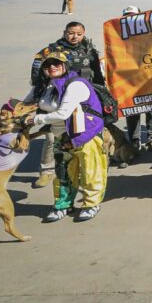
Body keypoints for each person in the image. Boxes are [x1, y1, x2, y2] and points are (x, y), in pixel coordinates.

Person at [31, 51, 108, 222]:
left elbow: (63, 113)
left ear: (65, 66)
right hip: (62, 137)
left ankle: (91, 204)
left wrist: (36, 119)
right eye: (48, 65)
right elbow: (27, 104)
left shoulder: (75, 84)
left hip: (85, 134)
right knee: (63, 173)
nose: (52, 67)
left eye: (56, 63)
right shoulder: (46, 86)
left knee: (90, 171)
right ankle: (63, 204)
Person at [30, 20, 105, 189]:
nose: (75, 37)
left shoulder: (89, 51)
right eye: (71, 33)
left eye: (79, 34)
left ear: (84, 34)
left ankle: (78, 168)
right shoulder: (52, 51)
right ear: (64, 32)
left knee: (82, 134)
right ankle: (46, 171)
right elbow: (38, 74)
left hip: (83, 98)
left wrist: (101, 95)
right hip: (58, 96)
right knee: (52, 136)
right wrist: (39, 95)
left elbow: (97, 75)